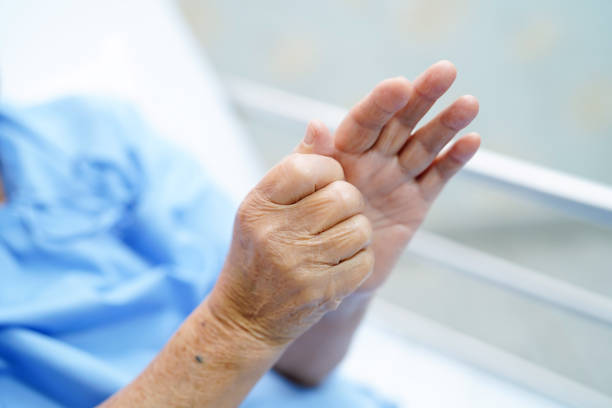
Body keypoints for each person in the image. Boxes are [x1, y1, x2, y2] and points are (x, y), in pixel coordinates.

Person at [0, 61, 479, 407]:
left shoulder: (93, 131)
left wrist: (336, 282)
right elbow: (252, 320)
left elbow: (300, 367)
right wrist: (239, 326)